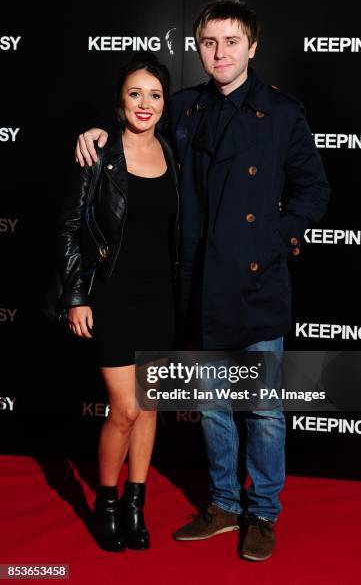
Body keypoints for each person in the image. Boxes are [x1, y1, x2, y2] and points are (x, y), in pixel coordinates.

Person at [74, 0, 330, 561]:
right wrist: (95, 131)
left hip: (259, 284)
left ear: (252, 47)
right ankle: (222, 505)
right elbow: (135, 126)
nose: (219, 53)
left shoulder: (284, 113)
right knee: (213, 404)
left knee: (261, 409)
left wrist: (273, 239)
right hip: (199, 288)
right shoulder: (185, 109)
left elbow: (315, 190)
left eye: (231, 42)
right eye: (209, 43)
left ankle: (261, 511)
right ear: (198, 48)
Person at [57, 52, 179, 552]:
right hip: (110, 295)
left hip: (160, 298)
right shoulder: (99, 155)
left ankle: (135, 502)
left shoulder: (174, 152)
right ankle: (106, 501)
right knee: (125, 409)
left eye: (154, 94)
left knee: (148, 408)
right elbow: (69, 226)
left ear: (165, 102)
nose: (144, 104)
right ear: (120, 101)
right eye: (135, 94)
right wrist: (76, 296)